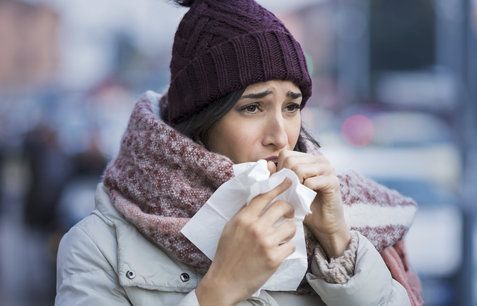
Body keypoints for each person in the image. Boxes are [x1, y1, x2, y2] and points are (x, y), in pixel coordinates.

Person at [55, 0, 423, 305]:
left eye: (291, 107)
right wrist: (220, 289)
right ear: (201, 118)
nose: (280, 135)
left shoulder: (337, 215)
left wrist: (338, 243)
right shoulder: (98, 246)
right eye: (252, 108)